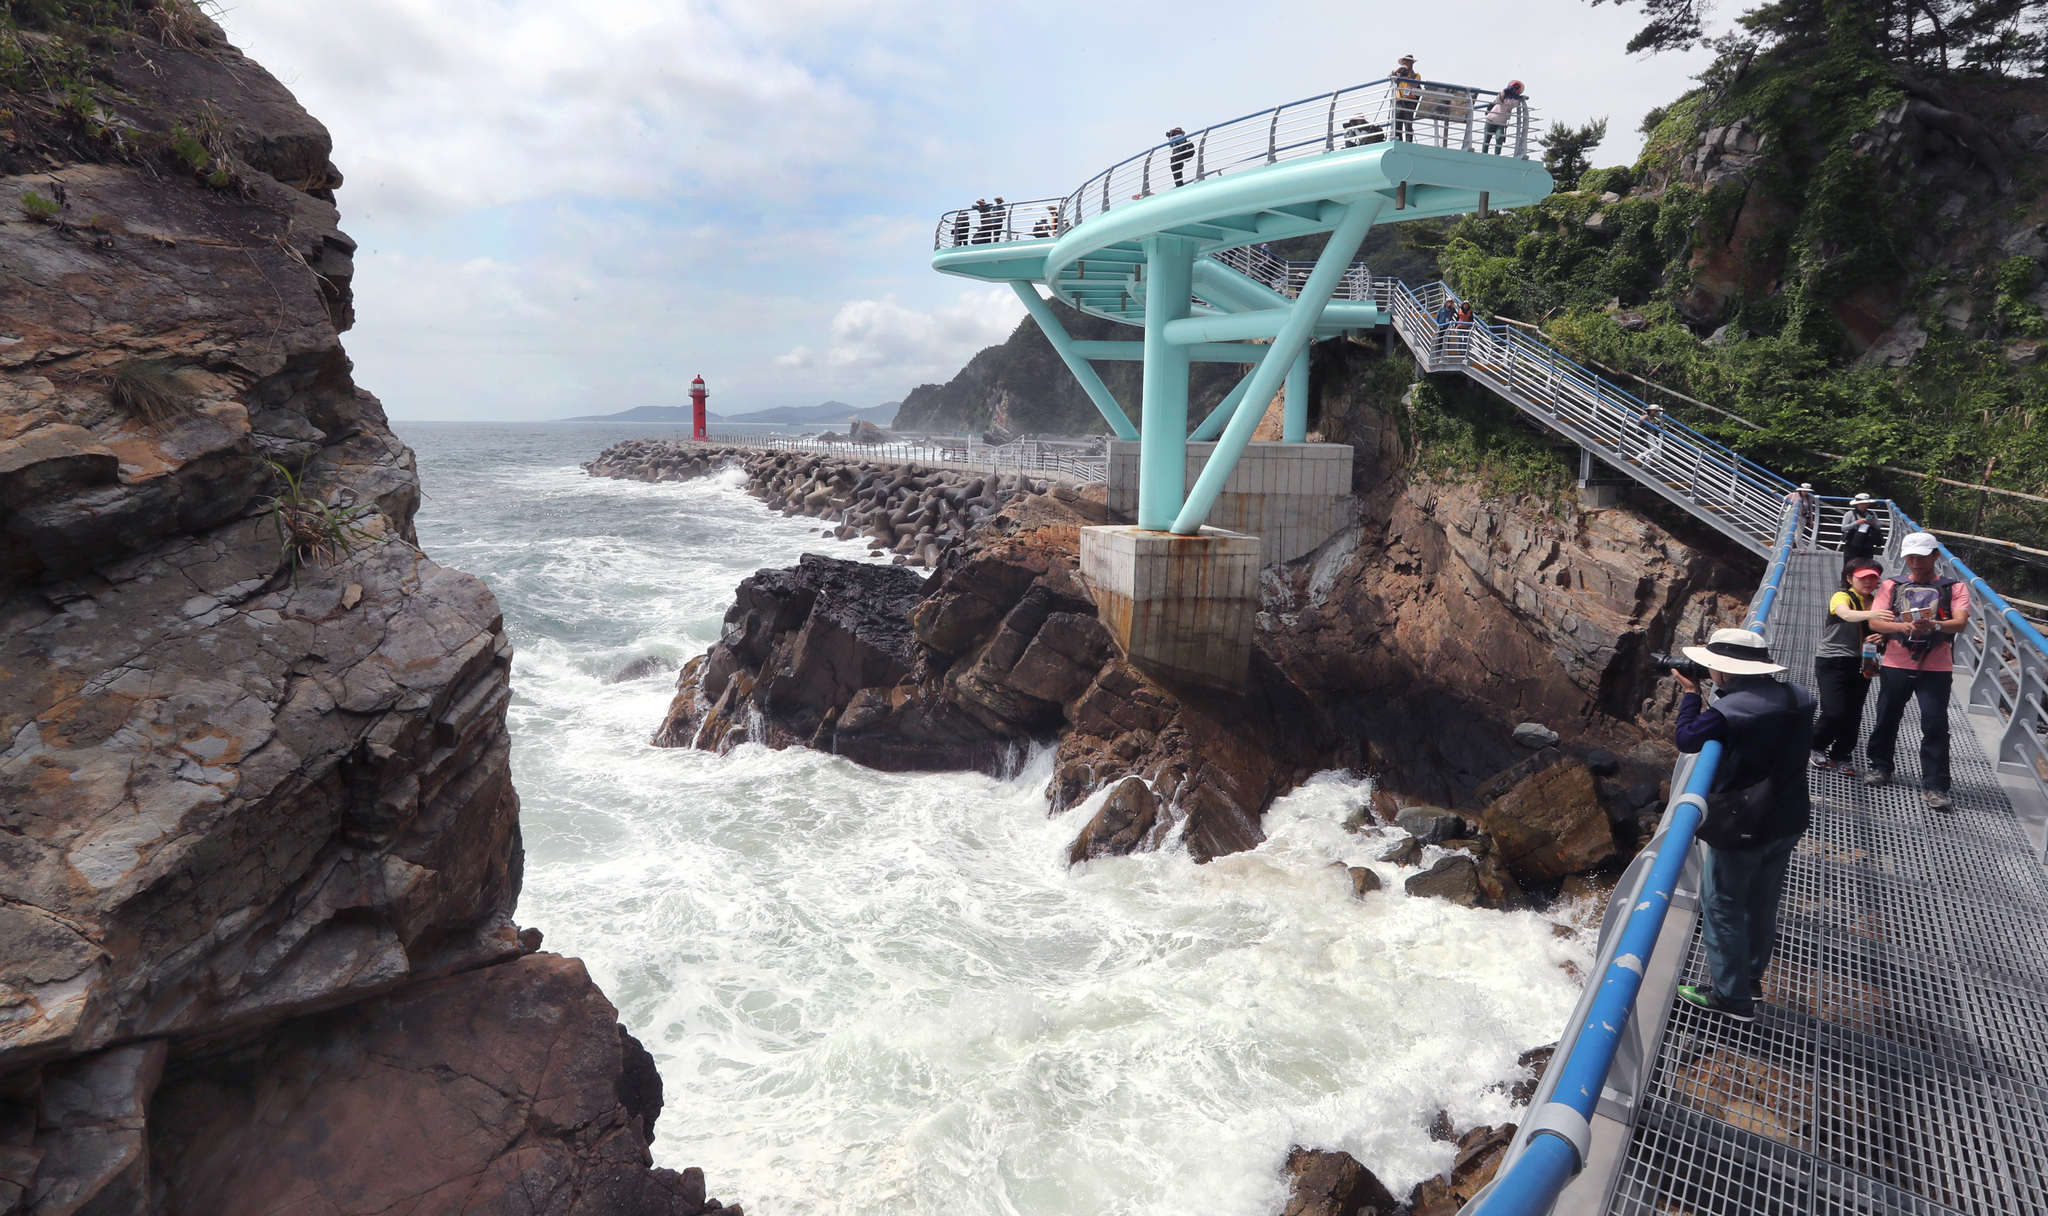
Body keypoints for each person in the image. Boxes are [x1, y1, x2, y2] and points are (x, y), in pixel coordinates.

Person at [1669, 627, 1816, 1022]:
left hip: (1743, 821)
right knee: (1763, 901)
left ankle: (1731, 999)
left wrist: (1689, 694)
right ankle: (1749, 978)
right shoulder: (1798, 696)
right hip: (1789, 815)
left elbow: (1687, 738)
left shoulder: (1732, 711)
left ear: (1725, 671)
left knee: (1723, 904)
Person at [1863, 532, 1972, 810]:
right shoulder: (1891, 585)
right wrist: (1902, 627)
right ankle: (1880, 767)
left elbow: (1959, 624)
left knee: (1935, 724)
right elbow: (1876, 624)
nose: (1915, 562)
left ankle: (1935, 786)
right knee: (1887, 715)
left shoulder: (1955, 588)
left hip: (1937, 666)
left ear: (1936, 556)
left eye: (1922, 556)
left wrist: (1934, 625)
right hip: (1896, 662)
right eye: (1910, 557)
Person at [1811, 558, 1891, 773]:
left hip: (1863, 662)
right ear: (1849, 578)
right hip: (1833, 660)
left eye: (1873, 578)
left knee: (1853, 713)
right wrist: (1872, 614)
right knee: (1834, 711)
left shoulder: (1877, 602)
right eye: (1863, 578)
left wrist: (1882, 637)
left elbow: (1885, 630)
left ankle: (1842, 754)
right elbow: (1845, 613)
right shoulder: (1842, 596)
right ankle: (1816, 745)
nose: (1868, 582)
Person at [1482, 81, 1527, 155]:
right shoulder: (1503, 95)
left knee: (1499, 138)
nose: (1514, 89)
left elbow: (1512, 105)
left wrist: (1512, 96)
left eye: (1516, 88)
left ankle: (1497, 155)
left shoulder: (1515, 100)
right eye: (1514, 87)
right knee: (1487, 138)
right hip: (1491, 119)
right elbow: (1498, 99)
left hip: (1501, 122)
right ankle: (1484, 154)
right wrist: (1505, 91)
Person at [1840, 492, 1886, 561]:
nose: (1865, 505)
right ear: (1857, 504)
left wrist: (1872, 522)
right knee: (1850, 564)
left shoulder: (1872, 513)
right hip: (1853, 543)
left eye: (1866, 503)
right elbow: (1843, 528)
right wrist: (1857, 522)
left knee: (1866, 563)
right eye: (1862, 503)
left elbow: (1878, 526)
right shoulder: (1849, 514)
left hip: (1868, 543)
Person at [1390, 55, 1421, 143]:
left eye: (1407, 62)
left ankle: (1408, 143)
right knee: (1397, 125)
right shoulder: (1400, 73)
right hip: (1399, 101)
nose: (1405, 64)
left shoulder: (1416, 75)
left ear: (1411, 63)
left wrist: (1404, 79)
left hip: (1409, 102)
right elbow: (1389, 76)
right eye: (1404, 62)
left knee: (1408, 125)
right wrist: (1398, 70)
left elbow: (1415, 85)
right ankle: (1398, 142)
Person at [1785, 483, 1816, 551]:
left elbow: (1810, 509)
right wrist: (1774, 493)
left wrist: (1811, 521)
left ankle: (1788, 548)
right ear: (1801, 490)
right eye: (1804, 491)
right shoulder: (1793, 495)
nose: (1806, 492)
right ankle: (1801, 549)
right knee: (1798, 534)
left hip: (1803, 517)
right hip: (1793, 517)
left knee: (1798, 534)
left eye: (1807, 491)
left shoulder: (1809, 498)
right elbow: (1782, 499)